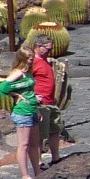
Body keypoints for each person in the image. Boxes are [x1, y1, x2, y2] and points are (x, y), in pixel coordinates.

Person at [0, 49, 40, 179]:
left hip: (32, 110)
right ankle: (25, 176)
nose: (31, 59)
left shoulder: (28, 73)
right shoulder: (18, 73)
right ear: (22, 58)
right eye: (29, 57)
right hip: (22, 112)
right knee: (24, 144)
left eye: (32, 57)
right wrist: (16, 95)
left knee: (35, 144)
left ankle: (38, 172)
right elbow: (2, 88)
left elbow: (30, 91)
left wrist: (37, 110)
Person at [29, 35, 63, 168]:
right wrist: (33, 98)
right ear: (38, 47)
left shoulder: (45, 61)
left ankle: (56, 158)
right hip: (41, 104)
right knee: (40, 135)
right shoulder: (33, 62)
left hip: (51, 102)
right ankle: (39, 162)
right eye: (47, 49)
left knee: (55, 129)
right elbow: (26, 80)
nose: (50, 51)